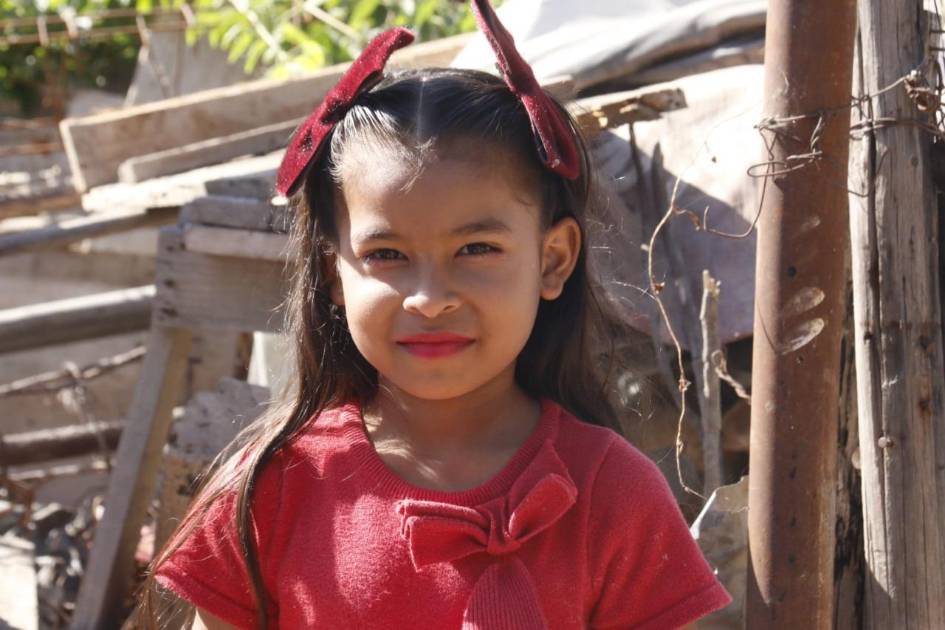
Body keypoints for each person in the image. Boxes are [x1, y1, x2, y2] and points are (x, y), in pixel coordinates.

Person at [136, 1, 732, 628]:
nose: (429, 297)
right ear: (334, 272)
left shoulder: (616, 494)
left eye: (476, 249)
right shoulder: (271, 490)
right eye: (387, 255)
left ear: (553, 260)